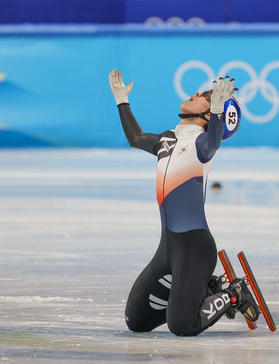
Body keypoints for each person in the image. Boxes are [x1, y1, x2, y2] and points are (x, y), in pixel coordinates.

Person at [108, 69, 259, 336]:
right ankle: (206, 289)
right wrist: (122, 100)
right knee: (136, 321)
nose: (197, 93)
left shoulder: (203, 144)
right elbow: (136, 138)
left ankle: (234, 293)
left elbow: (214, 141)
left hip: (194, 248)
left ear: (207, 115)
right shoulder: (168, 139)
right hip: (167, 248)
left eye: (206, 96)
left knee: (182, 325)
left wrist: (217, 113)